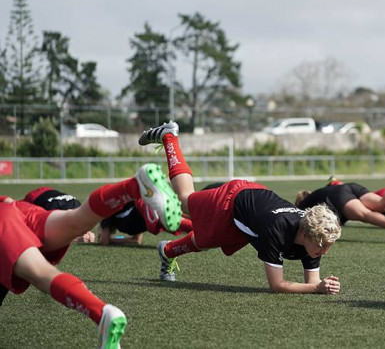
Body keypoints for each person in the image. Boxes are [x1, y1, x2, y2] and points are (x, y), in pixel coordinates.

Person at [138, 121, 342, 295]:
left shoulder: (314, 239)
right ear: (304, 235)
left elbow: (311, 283)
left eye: (327, 246)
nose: (325, 252)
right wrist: (317, 288)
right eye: (322, 246)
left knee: (205, 241)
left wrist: (320, 285)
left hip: (252, 212)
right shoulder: (278, 229)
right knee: (185, 200)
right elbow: (277, 285)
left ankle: (167, 251)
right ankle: (169, 138)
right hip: (233, 200)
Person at [0, 163, 182, 348]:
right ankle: (135, 185)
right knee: (77, 219)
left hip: (4, 221)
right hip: (18, 208)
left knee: (42, 274)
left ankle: (101, 313)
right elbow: (7, 202)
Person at [23, 186, 193, 245]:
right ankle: (200, 220)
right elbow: (137, 240)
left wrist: (110, 240)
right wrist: (117, 240)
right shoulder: (125, 223)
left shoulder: (107, 216)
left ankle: (197, 222)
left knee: (170, 220)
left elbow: (103, 240)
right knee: (173, 221)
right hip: (149, 216)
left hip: (145, 208)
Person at [294, 175, 385, 243]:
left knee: (365, 214)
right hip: (348, 187)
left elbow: (297, 217)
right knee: (381, 204)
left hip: (338, 196)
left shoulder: (303, 205)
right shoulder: (317, 193)